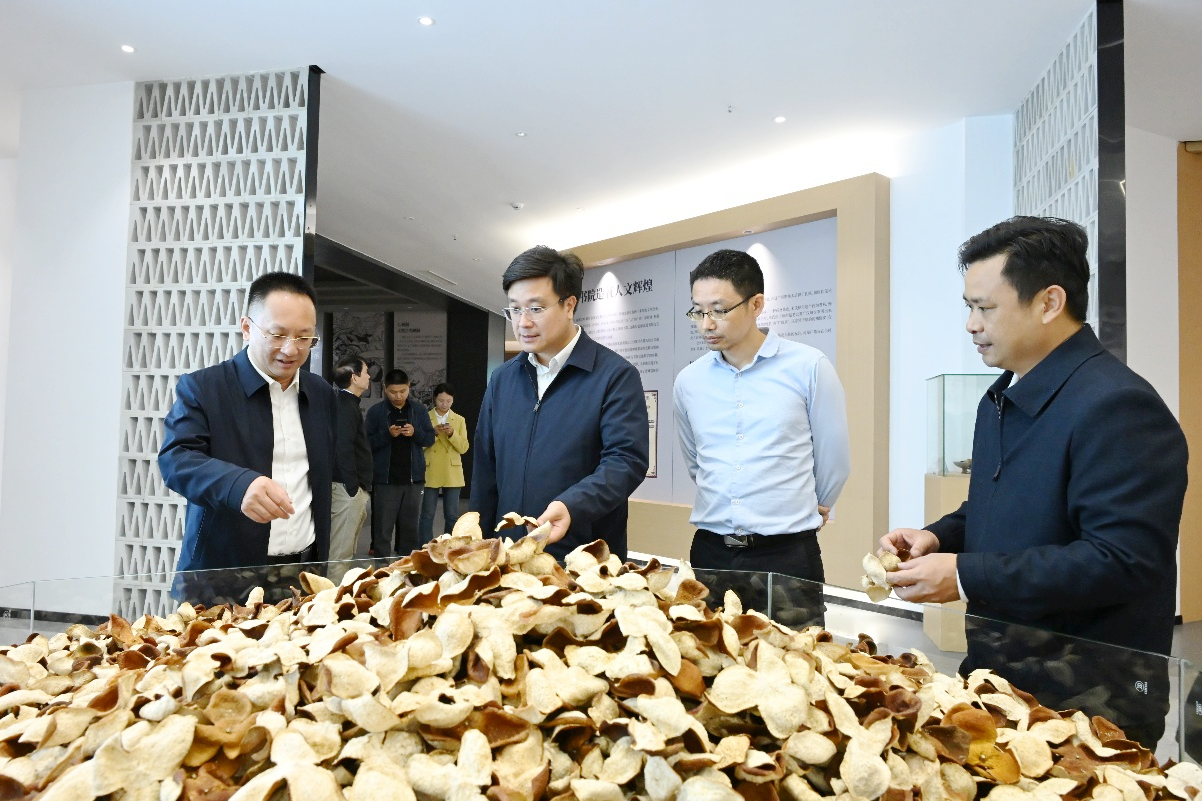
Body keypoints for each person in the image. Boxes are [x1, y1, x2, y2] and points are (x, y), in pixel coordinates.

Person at [879, 216, 1188, 747]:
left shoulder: (1118, 405)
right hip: (1001, 674)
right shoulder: (1001, 398)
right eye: (968, 307)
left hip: (1088, 695)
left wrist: (966, 576)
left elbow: (1122, 560)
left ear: (1049, 302)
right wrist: (937, 537)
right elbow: (996, 506)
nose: (971, 325)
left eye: (985, 308)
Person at [673, 249, 850, 621]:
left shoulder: (808, 366)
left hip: (786, 554)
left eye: (719, 310)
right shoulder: (689, 381)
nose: (706, 324)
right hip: (711, 552)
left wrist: (812, 503)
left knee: (798, 652)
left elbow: (833, 456)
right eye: (698, 311)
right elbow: (696, 462)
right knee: (711, 652)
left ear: (756, 304)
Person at [471, 245, 649, 562]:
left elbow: (625, 461)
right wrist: (479, 547)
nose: (523, 322)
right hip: (508, 557)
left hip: (583, 561)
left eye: (536, 309)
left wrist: (572, 505)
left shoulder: (614, 376)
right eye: (515, 310)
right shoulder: (502, 379)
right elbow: (485, 471)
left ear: (569, 305)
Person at [159, 271, 337, 575]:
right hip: (224, 575)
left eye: (304, 337)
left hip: (303, 571)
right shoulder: (204, 387)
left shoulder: (320, 393)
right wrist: (238, 485)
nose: (291, 349)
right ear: (246, 328)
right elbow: (176, 460)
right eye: (278, 335)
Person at [366, 368, 436, 557]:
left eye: (402, 391)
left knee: (410, 529)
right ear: (385, 389)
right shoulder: (376, 412)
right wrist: (387, 434)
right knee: (382, 528)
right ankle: (381, 566)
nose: (398, 396)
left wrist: (416, 433)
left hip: (413, 479)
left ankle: (407, 565)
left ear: (409, 387)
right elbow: (366, 443)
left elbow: (430, 439)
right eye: (393, 392)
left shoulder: (419, 410)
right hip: (385, 479)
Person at [329, 354, 374, 562]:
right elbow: (343, 447)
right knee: (340, 553)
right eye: (366, 372)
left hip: (350, 488)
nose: (369, 376)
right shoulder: (345, 406)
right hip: (346, 489)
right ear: (354, 378)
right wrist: (352, 487)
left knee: (346, 551)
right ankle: (333, 585)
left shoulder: (348, 403)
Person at [420, 382, 469, 540]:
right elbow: (419, 445)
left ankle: (450, 546)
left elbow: (464, 448)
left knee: (452, 514)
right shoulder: (425, 417)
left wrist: (452, 434)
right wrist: (433, 434)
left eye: (448, 401)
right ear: (435, 399)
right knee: (427, 514)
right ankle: (425, 546)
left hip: (452, 470)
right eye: (441, 400)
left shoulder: (459, 420)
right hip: (431, 468)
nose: (444, 404)